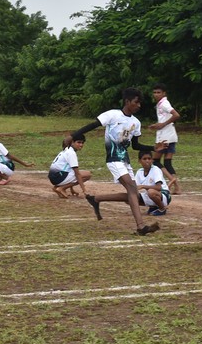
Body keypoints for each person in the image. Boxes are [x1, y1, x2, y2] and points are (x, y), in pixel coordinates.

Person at [64, 87, 166, 236]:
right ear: (127, 101)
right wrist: (73, 136)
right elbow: (93, 125)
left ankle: (96, 199)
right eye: (136, 102)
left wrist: (153, 147)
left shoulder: (136, 123)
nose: (139, 106)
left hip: (125, 161)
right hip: (113, 159)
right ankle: (140, 226)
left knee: (133, 194)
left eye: (140, 103)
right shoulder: (113, 115)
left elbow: (135, 145)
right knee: (131, 187)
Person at [92, 150, 172, 217]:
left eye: (149, 159)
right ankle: (154, 206)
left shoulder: (155, 169)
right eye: (144, 159)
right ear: (139, 161)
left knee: (151, 192)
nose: (147, 161)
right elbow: (135, 187)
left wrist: (143, 186)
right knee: (129, 198)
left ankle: (162, 209)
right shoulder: (140, 172)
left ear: (152, 160)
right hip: (150, 194)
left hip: (163, 195)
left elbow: (159, 188)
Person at [148, 82, 182, 195]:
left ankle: (172, 180)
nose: (156, 94)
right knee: (167, 162)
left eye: (158, 92)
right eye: (154, 92)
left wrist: (162, 124)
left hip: (165, 137)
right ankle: (177, 187)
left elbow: (176, 115)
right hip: (170, 135)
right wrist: (158, 124)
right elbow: (164, 119)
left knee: (155, 161)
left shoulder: (164, 103)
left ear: (164, 93)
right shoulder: (161, 103)